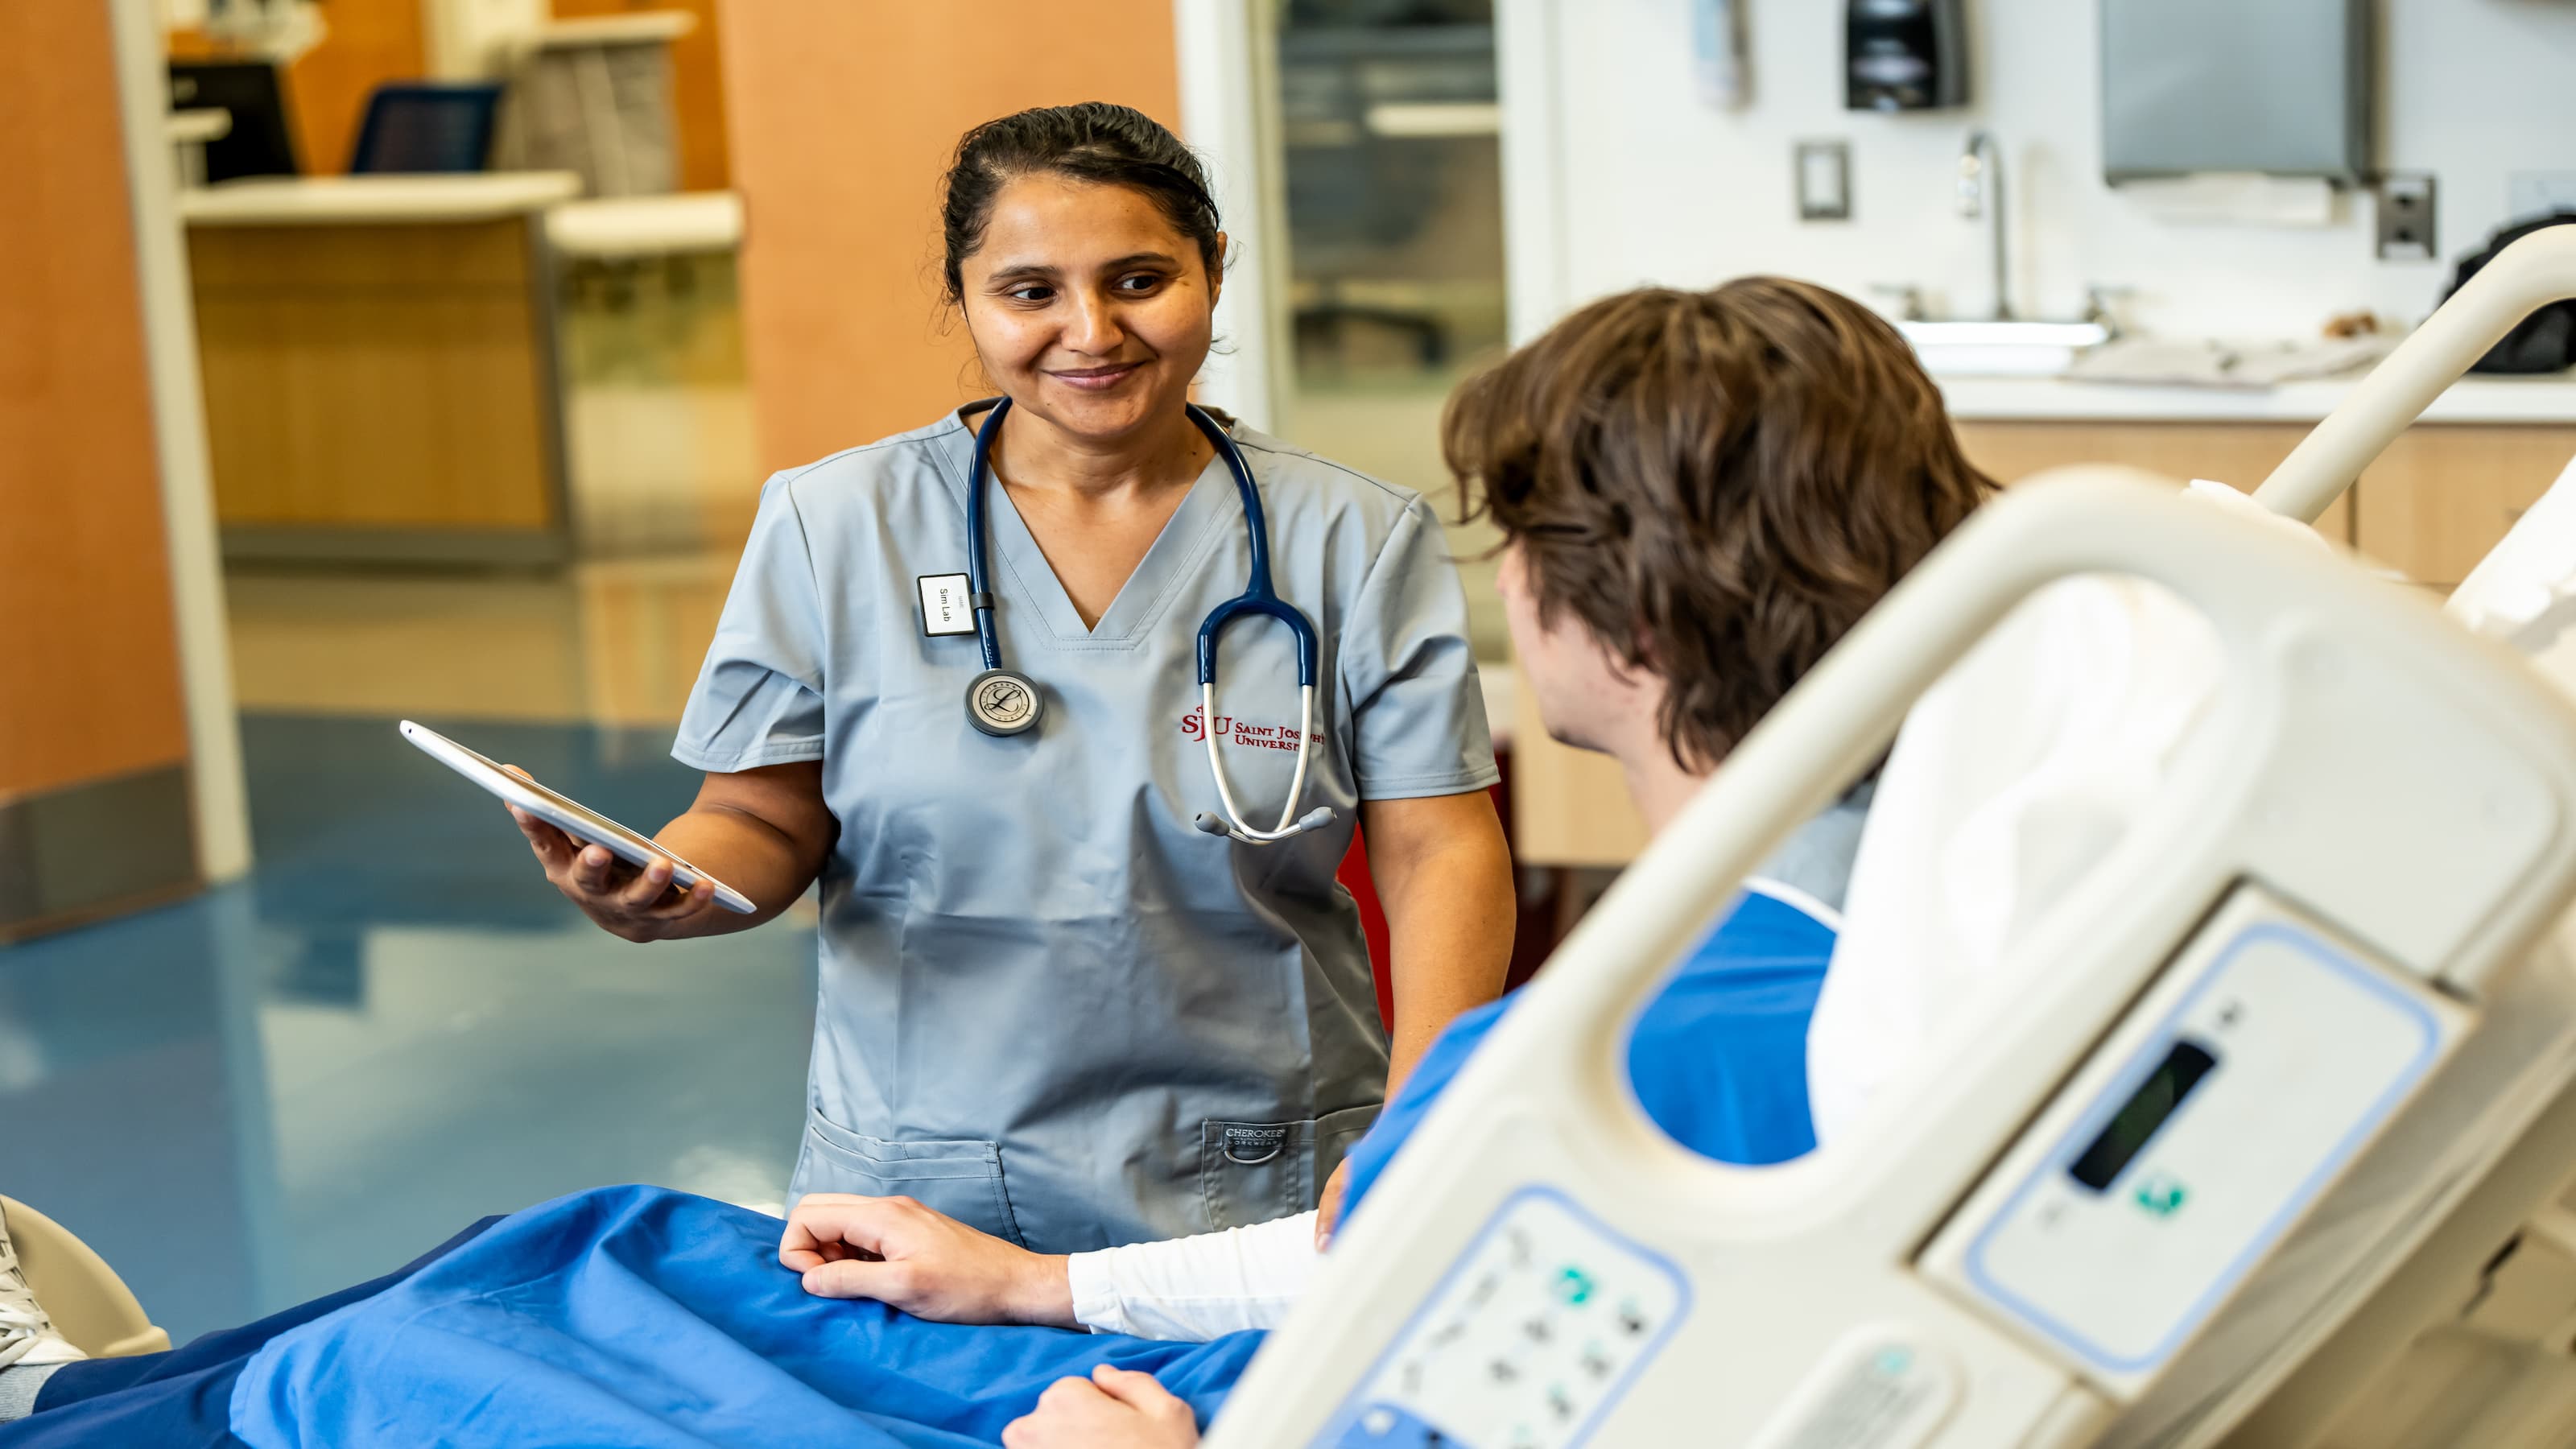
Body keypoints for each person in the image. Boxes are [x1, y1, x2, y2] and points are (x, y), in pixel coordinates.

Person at [0, 279, 1996, 1448]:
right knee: (603, 1245)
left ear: (1614, 616)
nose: (1085, 331)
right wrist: (1045, 1283)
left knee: (424, 1364)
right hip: (1163, 1315)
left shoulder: (1639, 1055)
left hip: (1190, 1413)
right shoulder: (1908, 915)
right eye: (1025, 286)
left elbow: (1444, 1334)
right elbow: (1404, 1258)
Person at [503, 103, 1516, 1252]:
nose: (1092, 332)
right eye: (1030, 292)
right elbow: (757, 816)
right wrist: (675, 888)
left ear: (1215, 269)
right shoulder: (837, 525)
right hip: (922, 1172)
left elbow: (1442, 846)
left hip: (1259, 1165)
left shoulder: (1350, 536)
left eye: (1140, 280)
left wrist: (1425, 1124)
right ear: (966, 296)